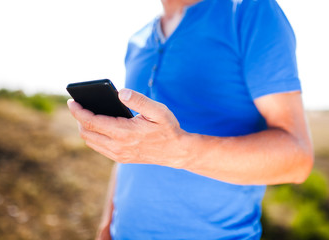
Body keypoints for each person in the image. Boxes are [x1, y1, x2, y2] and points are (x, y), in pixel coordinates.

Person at [67, 0, 314, 239]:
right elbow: (134, 146)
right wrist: (106, 226)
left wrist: (177, 150)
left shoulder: (250, 10)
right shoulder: (137, 41)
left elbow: (297, 157)